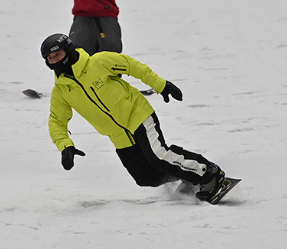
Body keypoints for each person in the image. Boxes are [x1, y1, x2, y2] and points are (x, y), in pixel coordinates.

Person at [41, 33, 228, 203]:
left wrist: (161, 85)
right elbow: (56, 121)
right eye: (50, 58)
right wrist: (65, 146)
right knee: (146, 177)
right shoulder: (61, 91)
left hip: (138, 115)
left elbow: (133, 66)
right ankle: (188, 175)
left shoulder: (98, 62)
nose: (54, 60)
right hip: (119, 136)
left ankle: (208, 173)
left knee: (158, 155)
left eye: (57, 54)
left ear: (69, 50)